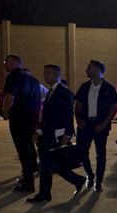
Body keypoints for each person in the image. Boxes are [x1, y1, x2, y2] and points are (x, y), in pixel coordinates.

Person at [26, 64, 85, 203]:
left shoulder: (64, 93)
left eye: (49, 73)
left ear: (57, 75)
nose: (45, 75)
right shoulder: (51, 92)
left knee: (50, 163)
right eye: (45, 73)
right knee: (48, 164)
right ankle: (47, 192)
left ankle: (48, 192)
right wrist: (39, 131)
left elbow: (67, 115)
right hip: (47, 134)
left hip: (56, 135)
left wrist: (68, 134)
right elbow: (47, 117)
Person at [74, 60, 117, 192]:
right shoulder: (84, 87)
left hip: (100, 125)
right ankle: (89, 174)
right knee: (81, 152)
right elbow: (78, 105)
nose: (87, 70)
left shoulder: (108, 88)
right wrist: (78, 119)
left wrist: (104, 124)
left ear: (99, 71)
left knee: (101, 154)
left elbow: (113, 108)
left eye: (90, 68)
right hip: (85, 124)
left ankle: (98, 181)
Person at [2, 54, 41, 192]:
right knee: (29, 146)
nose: (4, 64)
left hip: (19, 118)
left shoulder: (13, 76)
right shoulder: (32, 78)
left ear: (14, 63)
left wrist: (6, 112)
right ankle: (32, 170)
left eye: (6, 62)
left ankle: (28, 183)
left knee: (23, 150)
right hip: (32, 118)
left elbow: (10, 97)